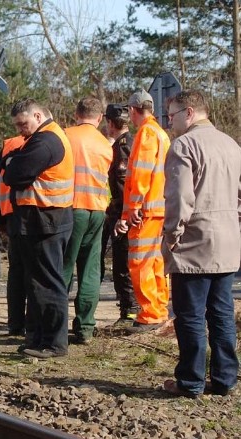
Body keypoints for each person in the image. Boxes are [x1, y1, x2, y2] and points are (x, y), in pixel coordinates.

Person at [161, 90, 240, 398]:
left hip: (194, 242)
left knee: (191, 314)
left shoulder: (184, 145)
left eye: (172, 115)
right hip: (228, 242)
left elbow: (179, 199)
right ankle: (225, 379)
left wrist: (172, 235)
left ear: (189, 112)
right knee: (221, 313)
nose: (170, 123)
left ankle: (190, 381)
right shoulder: (231, 144)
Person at [2, 99, 74, 359]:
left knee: (48, 283)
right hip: (44, 220)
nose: (20, 130)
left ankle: (54, 343)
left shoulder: (46, 141)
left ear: (38, 114)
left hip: (46, 221)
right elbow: (13, 169)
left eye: (23, 123)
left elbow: (14, 175)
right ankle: (42, 339)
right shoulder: (44, 137)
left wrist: (13, 165)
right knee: (40, 282)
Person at [114, 88, 170, 333]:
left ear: (133, 111)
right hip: (158, 209)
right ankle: (158, 309)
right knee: (155, 262)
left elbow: (139, 175)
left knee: (141, 262)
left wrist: (133, 207)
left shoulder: (146, 134)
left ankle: (149, 314)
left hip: (145, 211)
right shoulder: (161, 133)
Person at [62, 98, 113, 344]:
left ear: (76, 113)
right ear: (100, 117)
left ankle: (56, 326)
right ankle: (85, 328)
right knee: (90, 271)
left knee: (62, 269)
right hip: (97, 210)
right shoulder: (106, 144)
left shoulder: (65, 136)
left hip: (71, 209)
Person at [101, 104, 139, 325]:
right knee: (124, 262)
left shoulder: (123, 147)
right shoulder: (129, 144)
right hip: (122, 211)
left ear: (109, 123)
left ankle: (129, 310)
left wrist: (122, 217)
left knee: (122, 264)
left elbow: (124, 184)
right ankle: (130, 308)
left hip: (122, 213)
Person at [0, 135, 27, 336]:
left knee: (16, 272)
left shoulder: (10, 145)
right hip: (34, 216)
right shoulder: (50, 138)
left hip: (11, 216)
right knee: (34, 273)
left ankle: (15, 323)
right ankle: (33, 324)